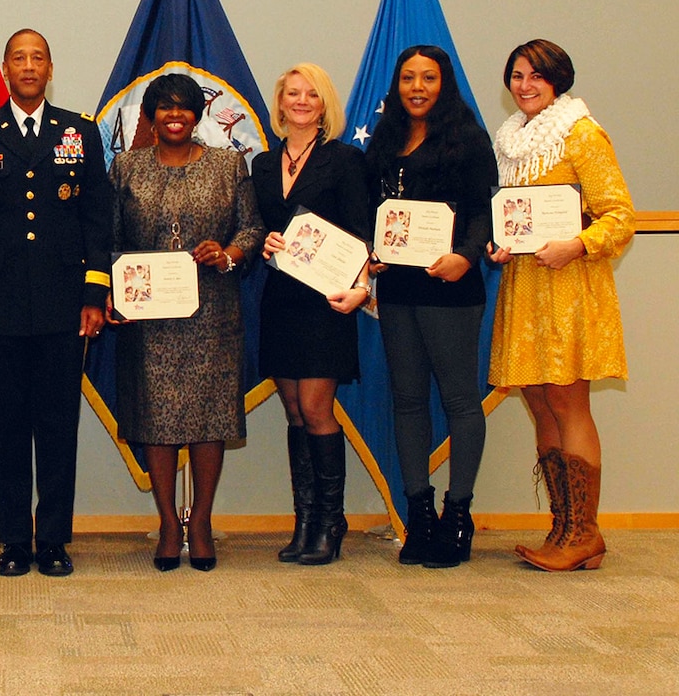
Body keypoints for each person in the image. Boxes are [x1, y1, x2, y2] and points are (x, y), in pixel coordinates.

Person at [0, 29, 113, 578]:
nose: (30, 66)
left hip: (65, 307)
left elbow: (96, 221)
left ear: (51, 67)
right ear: (5, 68)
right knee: (9, 428)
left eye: (39, 57)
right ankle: (14, 540)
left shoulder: (80, 132)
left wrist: (94, 294)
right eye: (20, 58)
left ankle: (54, 540)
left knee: (59, 428)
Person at [486, 39, 633, 571]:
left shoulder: (581, 134)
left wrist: (576, 244)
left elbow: (619, 216)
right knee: (540, 404)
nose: (525, 86)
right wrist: (498, 245)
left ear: (558, 80)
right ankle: (564, 529)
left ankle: (584, 533)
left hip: (570, 288)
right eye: (518, 75)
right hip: (525, 287)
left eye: (537, 77)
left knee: (569, 404)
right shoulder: (510, 141)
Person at [106, 72, 262, 572]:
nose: (175, 116)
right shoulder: (126, 167)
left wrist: (229, 253)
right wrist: (118, 287)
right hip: (149, 315)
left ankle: (202, 523)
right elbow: (108, 239)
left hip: (211, 312)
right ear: (150, 115)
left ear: (198, 115)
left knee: (209, 417)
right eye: (165, 108)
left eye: (184, 107)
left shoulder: (227, 164)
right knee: (157, 419)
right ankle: (169, 524)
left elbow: (252, 226)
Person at [363, 47, 497, 568]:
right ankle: (418, 512)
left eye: (429, 78)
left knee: (462, 400)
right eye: (408, 78)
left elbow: (487, 206)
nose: (417, 87)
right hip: (398, 288)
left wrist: (466, 256)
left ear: (445, 83)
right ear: (397, 85)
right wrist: (371, 254)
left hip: (451, 287)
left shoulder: (467, 136)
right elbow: (376, 211)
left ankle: (457, 513)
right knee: (409, 400)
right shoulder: (387, 138)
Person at [252, 63, 370, 566]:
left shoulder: (345, 160)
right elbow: (254, 227)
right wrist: (264, 241)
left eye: (312, 95)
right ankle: (304, 522)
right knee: (293, 411)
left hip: (326, 303)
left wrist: (362, 288)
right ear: (280, 103)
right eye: (292, 93)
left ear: (325, 105)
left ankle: (330, 521)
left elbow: (364, 232)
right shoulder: (260, 163)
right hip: (280, 299)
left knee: (317, 409)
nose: (301, 101)